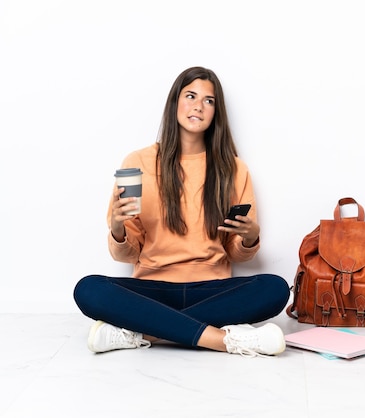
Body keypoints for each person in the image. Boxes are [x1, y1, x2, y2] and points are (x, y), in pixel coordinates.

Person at [73, 66, 290, 357]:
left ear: (216, 112)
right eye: (190, 96)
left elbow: (237, 254)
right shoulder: (138, 162)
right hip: (152, 289)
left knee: (275, 288)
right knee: (88, 289)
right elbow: (127, 255)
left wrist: (250, 238)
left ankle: (141, 333)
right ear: (175, 101)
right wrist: (117, 228)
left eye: (209, 100)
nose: (199, 106)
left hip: (213, 289)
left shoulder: (233, 169)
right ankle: (225, 340)